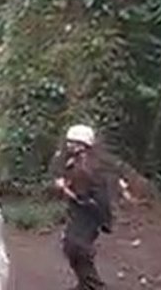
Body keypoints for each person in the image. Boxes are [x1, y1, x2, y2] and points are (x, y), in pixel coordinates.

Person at [53, 123, 112, 290]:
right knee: (72, 246)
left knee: (76, 247)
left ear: (82, 145)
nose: (68, 145)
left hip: (88, 214)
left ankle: (93, 285)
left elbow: (82, 198)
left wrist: (63, 188)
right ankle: (84, 284)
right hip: (85, 213)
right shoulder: (79, 162)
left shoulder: (84, 167)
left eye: (72, 142)